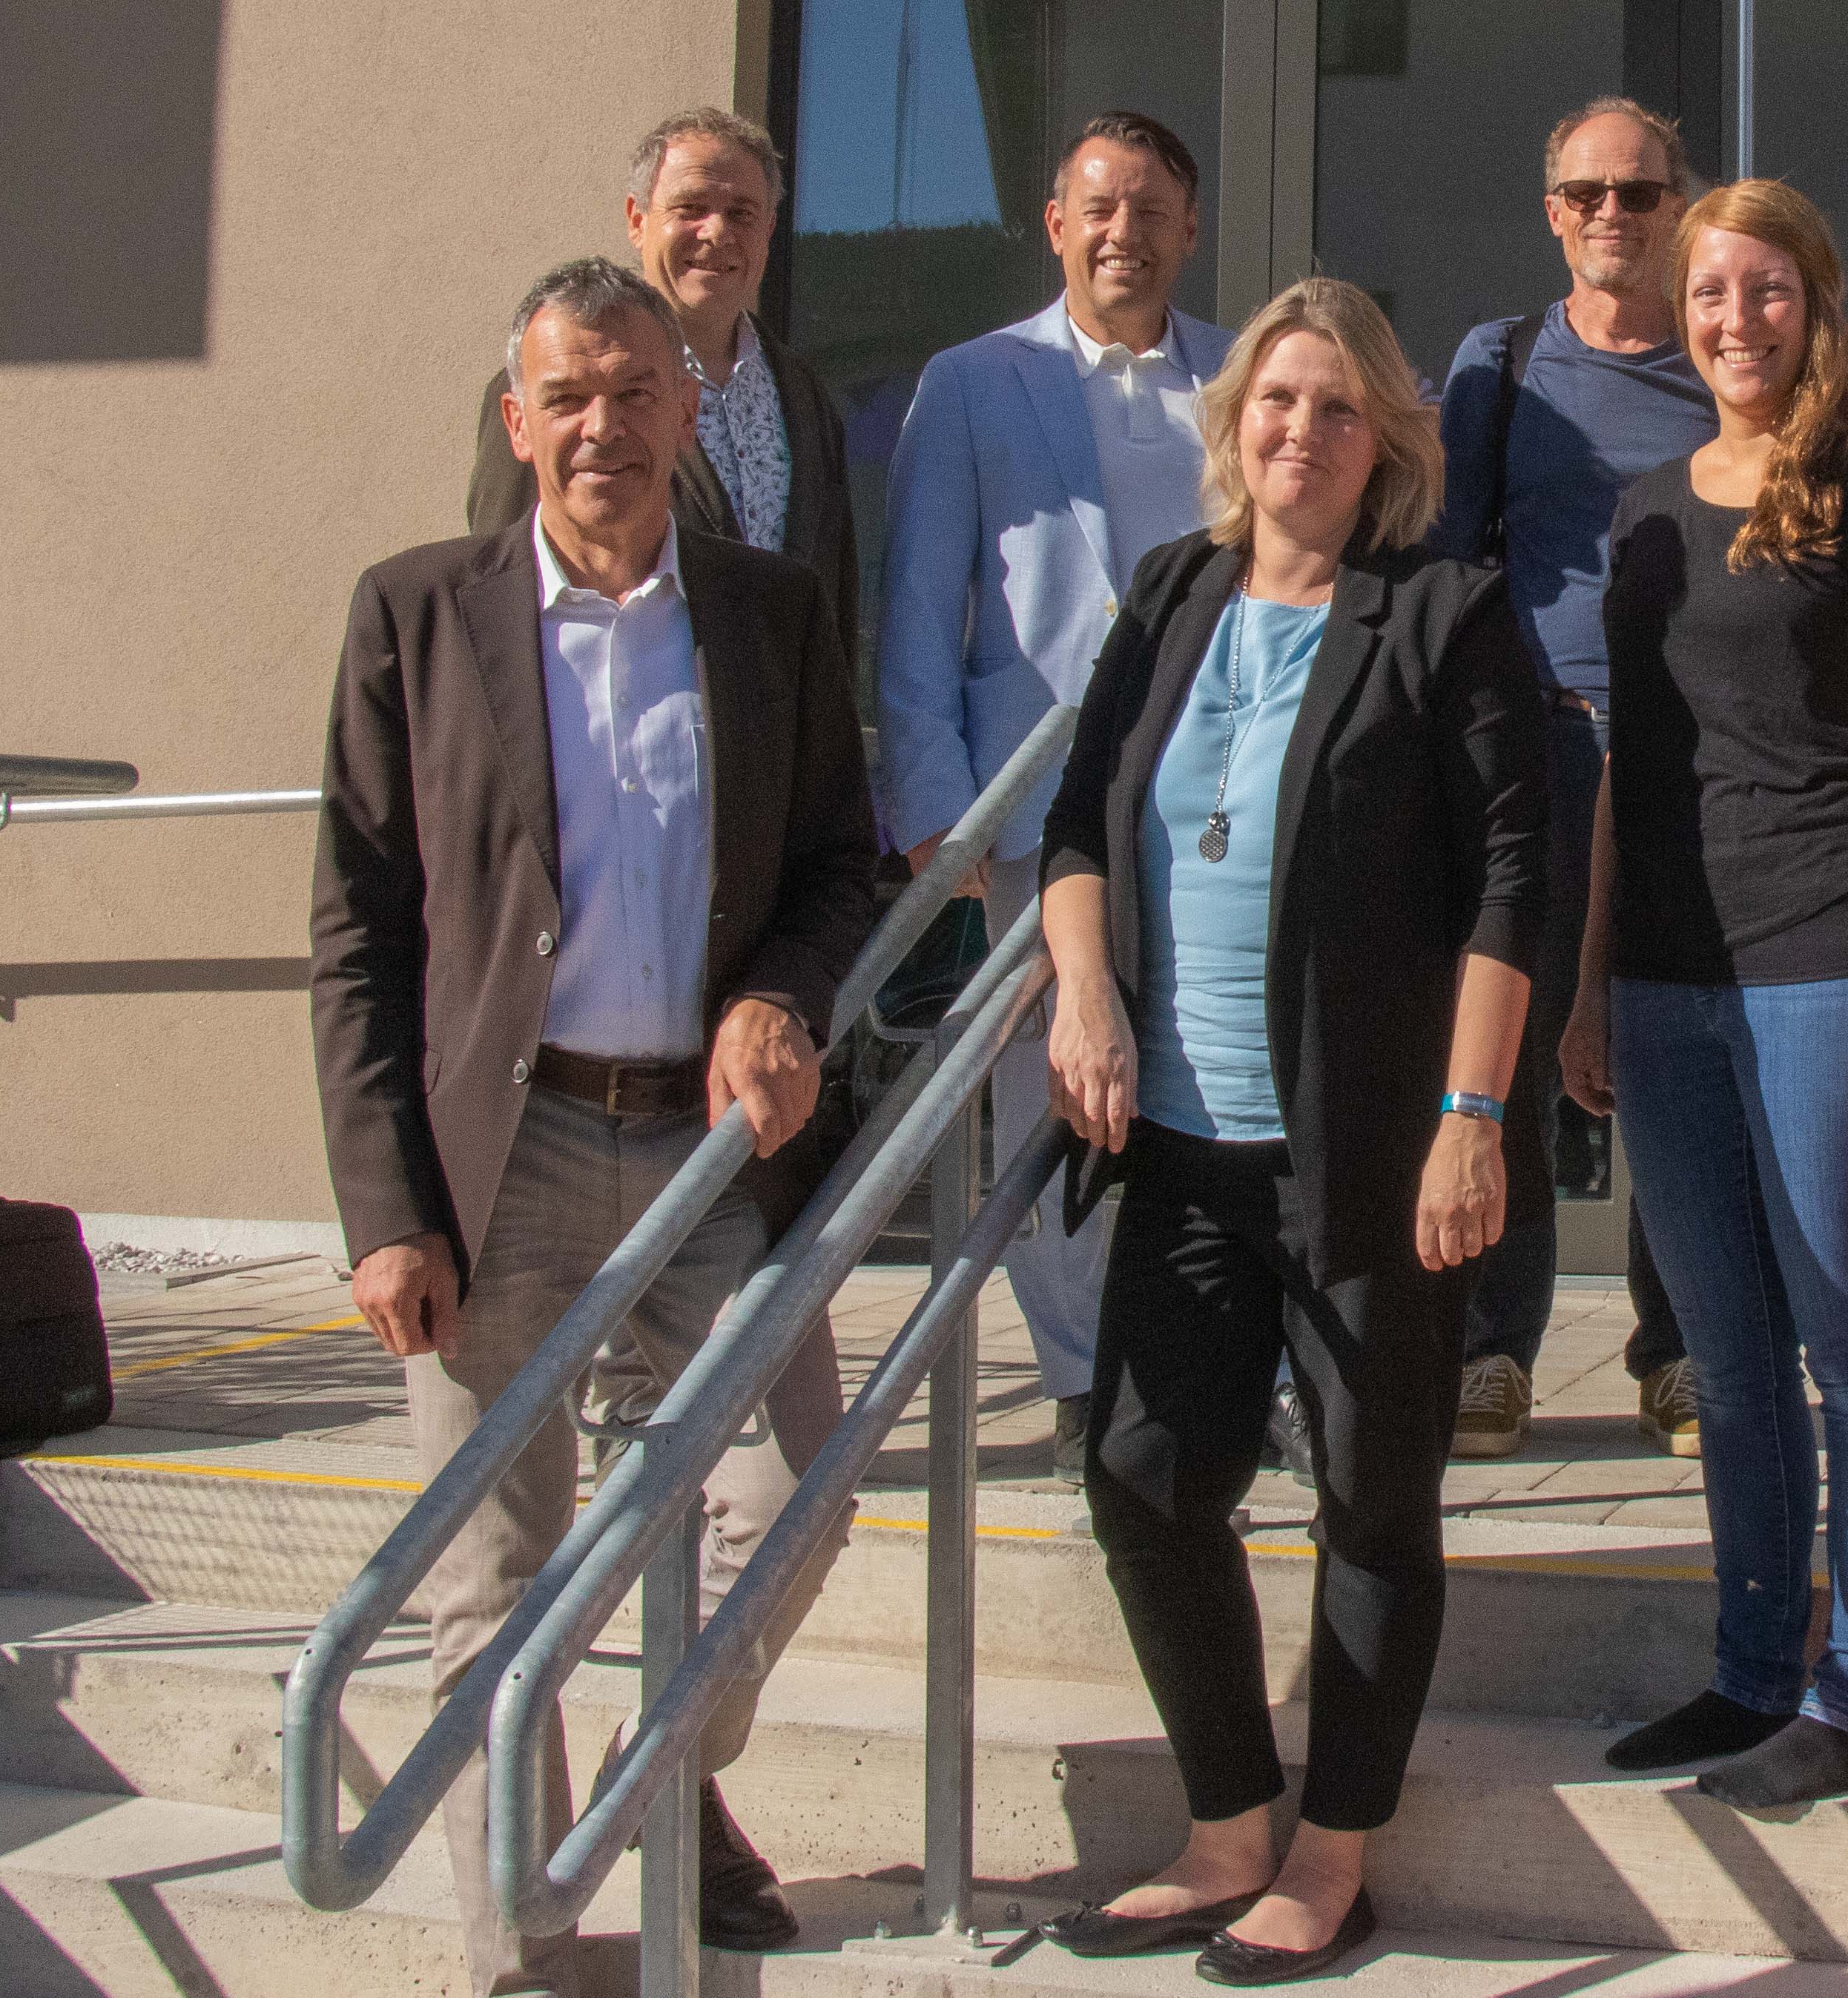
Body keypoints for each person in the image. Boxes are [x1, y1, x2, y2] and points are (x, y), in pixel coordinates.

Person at [316, 258, 883, 1993]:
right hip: (504, 1160)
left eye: (636, 391)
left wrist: (780, 991)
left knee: (797, 1490)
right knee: (489, 1577)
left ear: (686, 411)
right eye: (566, 395)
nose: (602, 427)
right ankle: (520, 1958)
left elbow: (838, 867)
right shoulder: (416, 613)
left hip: (712, 1157)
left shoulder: (771, 612)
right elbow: (359, 932)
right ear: (517, 421)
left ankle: (658, 1775)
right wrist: (384, 1208)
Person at [1034, 277, 1545, 1983]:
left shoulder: (1443, 612)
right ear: (1232, 421)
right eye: (1275, 399)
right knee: (1141, 1475)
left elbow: (1514, 881)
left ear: (1384, 440)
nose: (1300, 432)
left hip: (1369, 1150)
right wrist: (1083, 994)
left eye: (1336, 407)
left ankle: (1333, 1855)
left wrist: (1472, 1114)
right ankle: (1227, 1821)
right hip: (1180, 1145)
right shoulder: (1171, 592)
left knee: (1371, 1500)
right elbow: (1077, 825)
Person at [1564, 179, 1848, 1816]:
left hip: (1832, 959)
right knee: (1727, 1361)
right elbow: (1629, 764)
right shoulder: (1645, 511)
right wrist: (1588, 982)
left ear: (1815, 300)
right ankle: (1751, 1672)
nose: (1734, 319)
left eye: (1764, 289)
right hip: (1667, 976)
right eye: (1709, 293)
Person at [880, 111, 1227, 1479]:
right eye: (1098, 207)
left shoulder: (1242, 376)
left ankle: (1220, 1359)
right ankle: (1085, 1377)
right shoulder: (976, 382)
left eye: (1149, 209)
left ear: (1189, 229)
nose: (1121, 232)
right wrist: (935, 806)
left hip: (1214, 800)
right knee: (1054, 1091)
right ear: (1055, 223)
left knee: (1211, 1079)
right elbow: (920, 606)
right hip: (1038, 805)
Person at [1426, 95, 1711, 1463]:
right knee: (1516, 1051)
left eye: (1638, 191)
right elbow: (1445, 556)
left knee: (1675, 1053)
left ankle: (1681, 1350)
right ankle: (1493, 1349)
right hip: (1540, 747)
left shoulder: (1726, 349)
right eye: (1587, 193)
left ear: (1677, 205)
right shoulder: (1504, 359)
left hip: (1697, 752)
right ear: (1552, 214)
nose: (1613, 213)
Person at [467, 109, 862, 666]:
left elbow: (833, 595)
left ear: (770, 230)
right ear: (638, 220)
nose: (717, 232)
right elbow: (502, 588)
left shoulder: (806, 398)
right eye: (691, 208)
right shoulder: (553, 395)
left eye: (742, 213)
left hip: (778, 713)